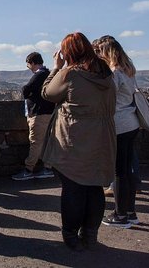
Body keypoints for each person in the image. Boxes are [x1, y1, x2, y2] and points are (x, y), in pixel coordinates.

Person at [41, 33, 116, 251]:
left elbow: (47, 93)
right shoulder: (105, 74)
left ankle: (71, 236)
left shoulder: (71, 74)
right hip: (102, 138)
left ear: (69, 53)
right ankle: (90, 235)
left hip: (75, 138)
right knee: (94, 189)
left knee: (73, 188)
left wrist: (56, 67)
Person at [97, 37, 142, 228]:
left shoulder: (114, 73)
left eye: (99, 51)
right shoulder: (128, 70)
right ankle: (130, 212)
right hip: (131, 123)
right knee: (128, 171)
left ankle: (120, 215)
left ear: (106, 52)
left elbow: (106, 99)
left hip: (119, 125)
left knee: (119, 172)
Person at [13, 52, 56, 181]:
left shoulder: (40, 75)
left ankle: (28, 169)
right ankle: (47, 168)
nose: (29, 68)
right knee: (47, 142)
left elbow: (26, 89)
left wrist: (29, 93)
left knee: (36, 142)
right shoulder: (48, 75)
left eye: (28, 65)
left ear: (32, 63)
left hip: (39, 114)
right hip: (48, 112)